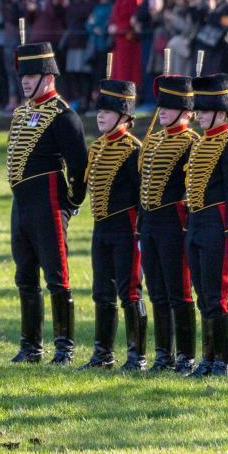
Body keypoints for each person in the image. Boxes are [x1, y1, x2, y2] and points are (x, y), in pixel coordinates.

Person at [6, 39, 88, 364]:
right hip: (21, 203)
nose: (26, 80)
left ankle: (64, 347)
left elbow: (80, 165)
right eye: (23, 74)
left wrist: (72, 201)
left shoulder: (63, 116)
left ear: (49, 76)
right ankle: (30, 346)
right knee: (25, 274)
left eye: (34, 74)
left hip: (49, 201)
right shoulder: (21, 112)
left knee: (57, 275)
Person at [79, 78, 146, 370]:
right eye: (99, 111)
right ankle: (103, 355)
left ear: (124, 116)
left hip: (126, 228)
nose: (100, 115)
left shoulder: (134, 150)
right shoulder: (97, 148)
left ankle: (136, 356)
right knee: (101, 292)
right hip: (101, 228)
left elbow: (143, 195)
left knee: (130, 291)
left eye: (107, 111)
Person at [185, 74, 228, 376]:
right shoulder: (201, 145)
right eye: (197, 111)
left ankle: (222, 360)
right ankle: (207, 358)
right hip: (196, 223)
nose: (198, 117)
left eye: (204, 111)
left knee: (216, 295)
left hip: (218, 226)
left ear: (221, 113)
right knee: (202, 294)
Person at [139, 75, 200, 373]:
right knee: (157, 291)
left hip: (175, 224)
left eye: (170, 104)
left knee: (180, 292)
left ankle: (186, 356)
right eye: (161, 103)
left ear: (186, 110)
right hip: (150, 223)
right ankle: (164, 353)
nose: (162, 109)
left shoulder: (192, 142)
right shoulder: (153, 140)